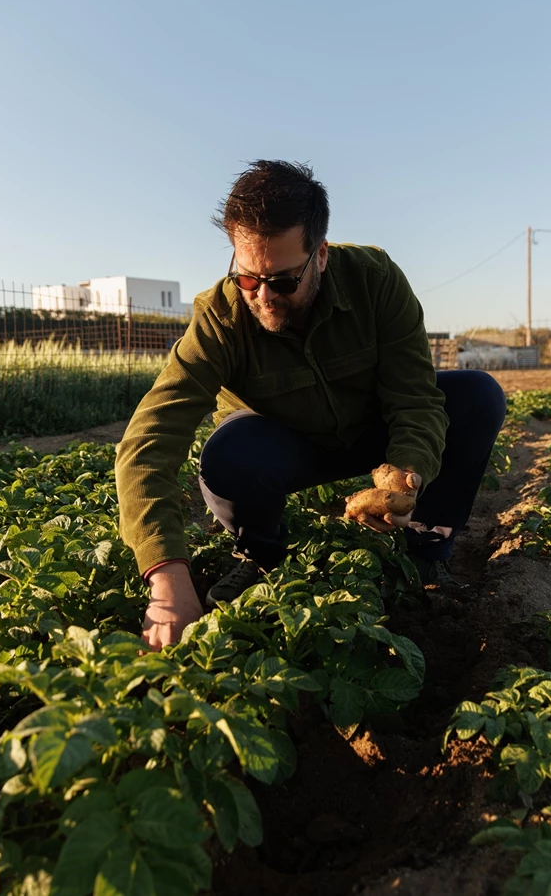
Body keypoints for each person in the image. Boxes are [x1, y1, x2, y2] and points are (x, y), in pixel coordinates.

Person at [115, 161, 506, 651]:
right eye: (248, 278)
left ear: (320, 255)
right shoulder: (220, 317)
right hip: (287, 447)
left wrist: (405, 477)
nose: (263, 296)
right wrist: (167, 574)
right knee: (228, 452)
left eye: (282, 281)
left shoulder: (374, 280)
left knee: (476, 396)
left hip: (371, 433)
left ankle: (426, 550)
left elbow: (415, 398)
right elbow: (150, 438)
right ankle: (261, 555)